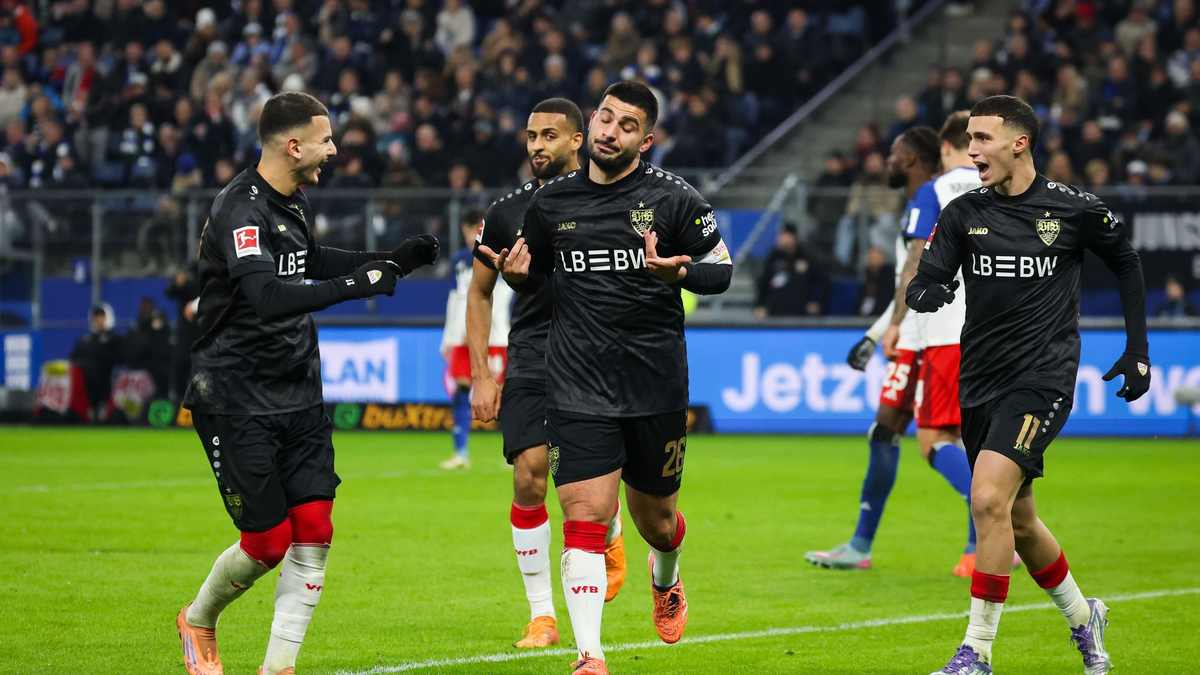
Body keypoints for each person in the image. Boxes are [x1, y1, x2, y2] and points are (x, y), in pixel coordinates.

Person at [176, 92, 439, 675]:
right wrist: (360, 284)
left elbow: (311, 259)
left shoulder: (292, 201)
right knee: (268, 544)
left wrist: (388, 259)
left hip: (299, 392)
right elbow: (267, 297)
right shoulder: (240, 209)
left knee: (315, 529)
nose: (334, 148)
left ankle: (279, 668)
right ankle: (198, 619)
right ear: (293, 145)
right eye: (326, 139)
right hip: (235, 396)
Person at [479, 81, 732, 675]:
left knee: (657, 523)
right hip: (576, 383)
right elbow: (537, 283)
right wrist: (516, 277)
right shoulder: (551, 204)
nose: (611, 132)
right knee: (587, 515)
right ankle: (590, 656)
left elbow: (720, 270)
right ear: (592, 122)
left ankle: (665, 576)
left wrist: (682, 273)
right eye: (606, 119)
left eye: (627, 125)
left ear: (646, 139)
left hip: (653, 384)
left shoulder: (675, 200)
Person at [911, 95, 1149, 675]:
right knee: (1018, 520)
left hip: (1042, 377)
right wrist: (927, 293)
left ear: (1019, 143)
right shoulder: (964, 213)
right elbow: (928, 280)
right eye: (969, 139)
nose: (972, 150)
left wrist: (1137, 349)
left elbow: (1125, 260)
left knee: (987, 496)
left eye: (983, 139)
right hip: (980, 379)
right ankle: (1083, 617)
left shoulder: (1073, 209)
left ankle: (977, 652)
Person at [469, 98, 628, 649]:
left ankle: (606, 525)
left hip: (596, 354)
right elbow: (479, 293)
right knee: (528, 474)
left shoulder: (609, 200)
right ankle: (542, 615)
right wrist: (482, 375)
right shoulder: (506, 211)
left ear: (578, 140)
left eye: (550, 136)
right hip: (534, 352)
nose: (538, 146)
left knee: (585, 487)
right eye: (531, 136)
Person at [806, 127, 940, 571]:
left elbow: (916, 276)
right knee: (887, 431)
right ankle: (861, 546)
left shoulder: (932, 201)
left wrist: (892, 329)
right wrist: (874, 334)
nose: (886, 161)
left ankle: (997, 534)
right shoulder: (920, 208)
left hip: (932, 336)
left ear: (913, 160)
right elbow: (908, 281)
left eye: (894, 154)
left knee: (942, 442)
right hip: (918, 332)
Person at [893, 110, 989, 577]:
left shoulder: (936, 190)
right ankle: (980, 548)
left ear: (948, 149)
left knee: (932, 439)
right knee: (977, 441)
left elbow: (916, 257)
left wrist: (897, 323)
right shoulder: (1002, 188)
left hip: (947, 332)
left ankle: (995, 512)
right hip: (995, 330)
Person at [439, 206, 513, 470]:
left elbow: (505, 297)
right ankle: (460, 452)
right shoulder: (460, 261)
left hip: (497, 337)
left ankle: (513, 452)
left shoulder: (500, 255)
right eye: (471, 230)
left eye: (478, 229)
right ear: (464, 231)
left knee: (506, 394)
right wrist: (447, 338)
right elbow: (454, 301)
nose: (474, 235)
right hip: (464, 337)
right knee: (460, 389)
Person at [753, 222, 827, 317]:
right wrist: (760, 306)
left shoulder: (806, 257)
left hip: (800, 315)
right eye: (780, 235)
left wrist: (819, 303)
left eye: (784, 235)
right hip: (775, 314)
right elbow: (763, 283)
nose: (780, 239)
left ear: (793, 237)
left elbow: (825, 282)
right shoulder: (774, 257)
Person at [69, 303, 127, 421]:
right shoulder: (85, 340)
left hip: (104, 377)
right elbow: (73, 358)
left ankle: (100, 411)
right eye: (96, 317)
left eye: (102, 316)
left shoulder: (115, 338)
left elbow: (121, 358)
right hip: (84, 378)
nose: (98, 320)